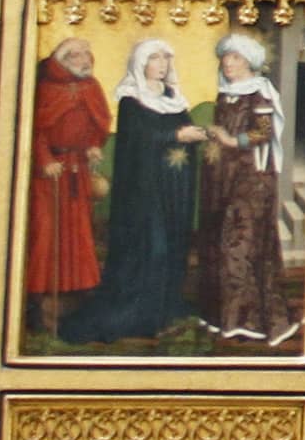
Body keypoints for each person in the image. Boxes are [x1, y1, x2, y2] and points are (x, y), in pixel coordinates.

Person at [57, 38, 204, 343]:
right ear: (141, 64)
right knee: (153, 248)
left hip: (173, 188)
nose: (162, 64)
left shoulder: (173, 96)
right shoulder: (130, 100)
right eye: (155, 58)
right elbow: (139, 139)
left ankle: (164, 311)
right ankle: (142, 314)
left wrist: (196, 134)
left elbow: (182, 131)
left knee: (173, 248)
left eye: (166, 58)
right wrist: (177, 134)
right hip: (145, 192)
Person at [194, 30, 297, 346]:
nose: (228, 63)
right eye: (226, 58)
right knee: (217, 243)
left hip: (251, 179)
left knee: (240, 244)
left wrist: (230, 140)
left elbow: (262, 133)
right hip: (223, 177)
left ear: (249, 62)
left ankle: (251, 320)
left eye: (235, 58)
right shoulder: (226, 94)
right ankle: (224, 318)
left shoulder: (259, 93)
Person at [25, 36, 111, 332]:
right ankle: (36, 299)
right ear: (62, 60)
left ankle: (80, 295)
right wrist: (45, 159)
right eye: (76, 55)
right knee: (46, 235)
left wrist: (93, 145)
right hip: (49, 175)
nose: (84, 60)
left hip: (77, 170)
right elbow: (34, 130)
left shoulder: (91, 87)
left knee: (79, 234)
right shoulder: (46, 89)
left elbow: (98, 125)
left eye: (87, 55)